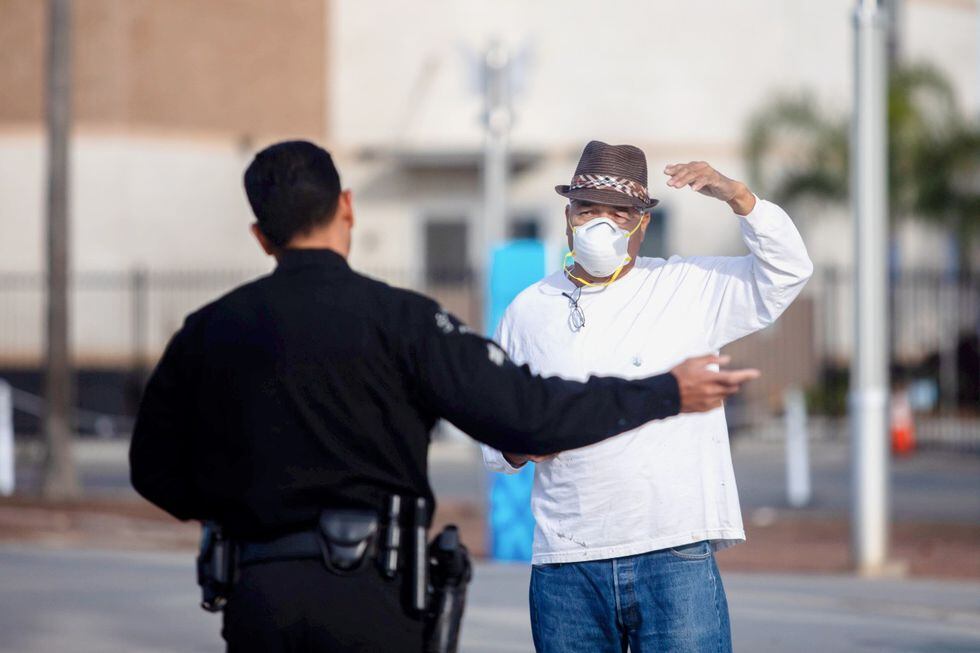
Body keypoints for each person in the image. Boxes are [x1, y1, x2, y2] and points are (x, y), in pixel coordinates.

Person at [128, 140, 760, 653]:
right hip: (376, 593)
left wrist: (241, 514)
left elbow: (152, 469)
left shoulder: (209, 329)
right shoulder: (405, 322)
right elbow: (528, 417)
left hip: (258, 589)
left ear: (260, 235)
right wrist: (664, 393)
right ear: (347, 207)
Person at [482, 140, 813, 653]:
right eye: (587, 209)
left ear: (642, 223)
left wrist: (739, 197)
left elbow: (787, 272)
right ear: (567, 217)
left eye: (619, 213)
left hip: (673, 552)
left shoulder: (687, 285)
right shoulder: (529, 310)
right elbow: (490, 428)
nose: (600, 225)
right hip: (568, 562)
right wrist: (519, 444)